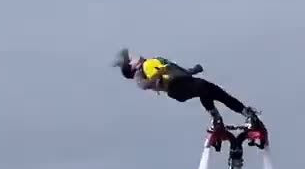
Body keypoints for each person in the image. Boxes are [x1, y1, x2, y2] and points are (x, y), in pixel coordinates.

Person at [113, 48, 265, 132]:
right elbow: (143, 85)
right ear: (132, 67)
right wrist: (158, 75)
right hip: (176, 89)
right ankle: (219, 118)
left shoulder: (152, 61)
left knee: (214, 91)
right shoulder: (141, 72)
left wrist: (193, 70)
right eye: (130, 59)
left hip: (185, 82)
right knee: (204, 88)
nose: (135, 56)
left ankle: (245, 113)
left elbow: (176, 70)